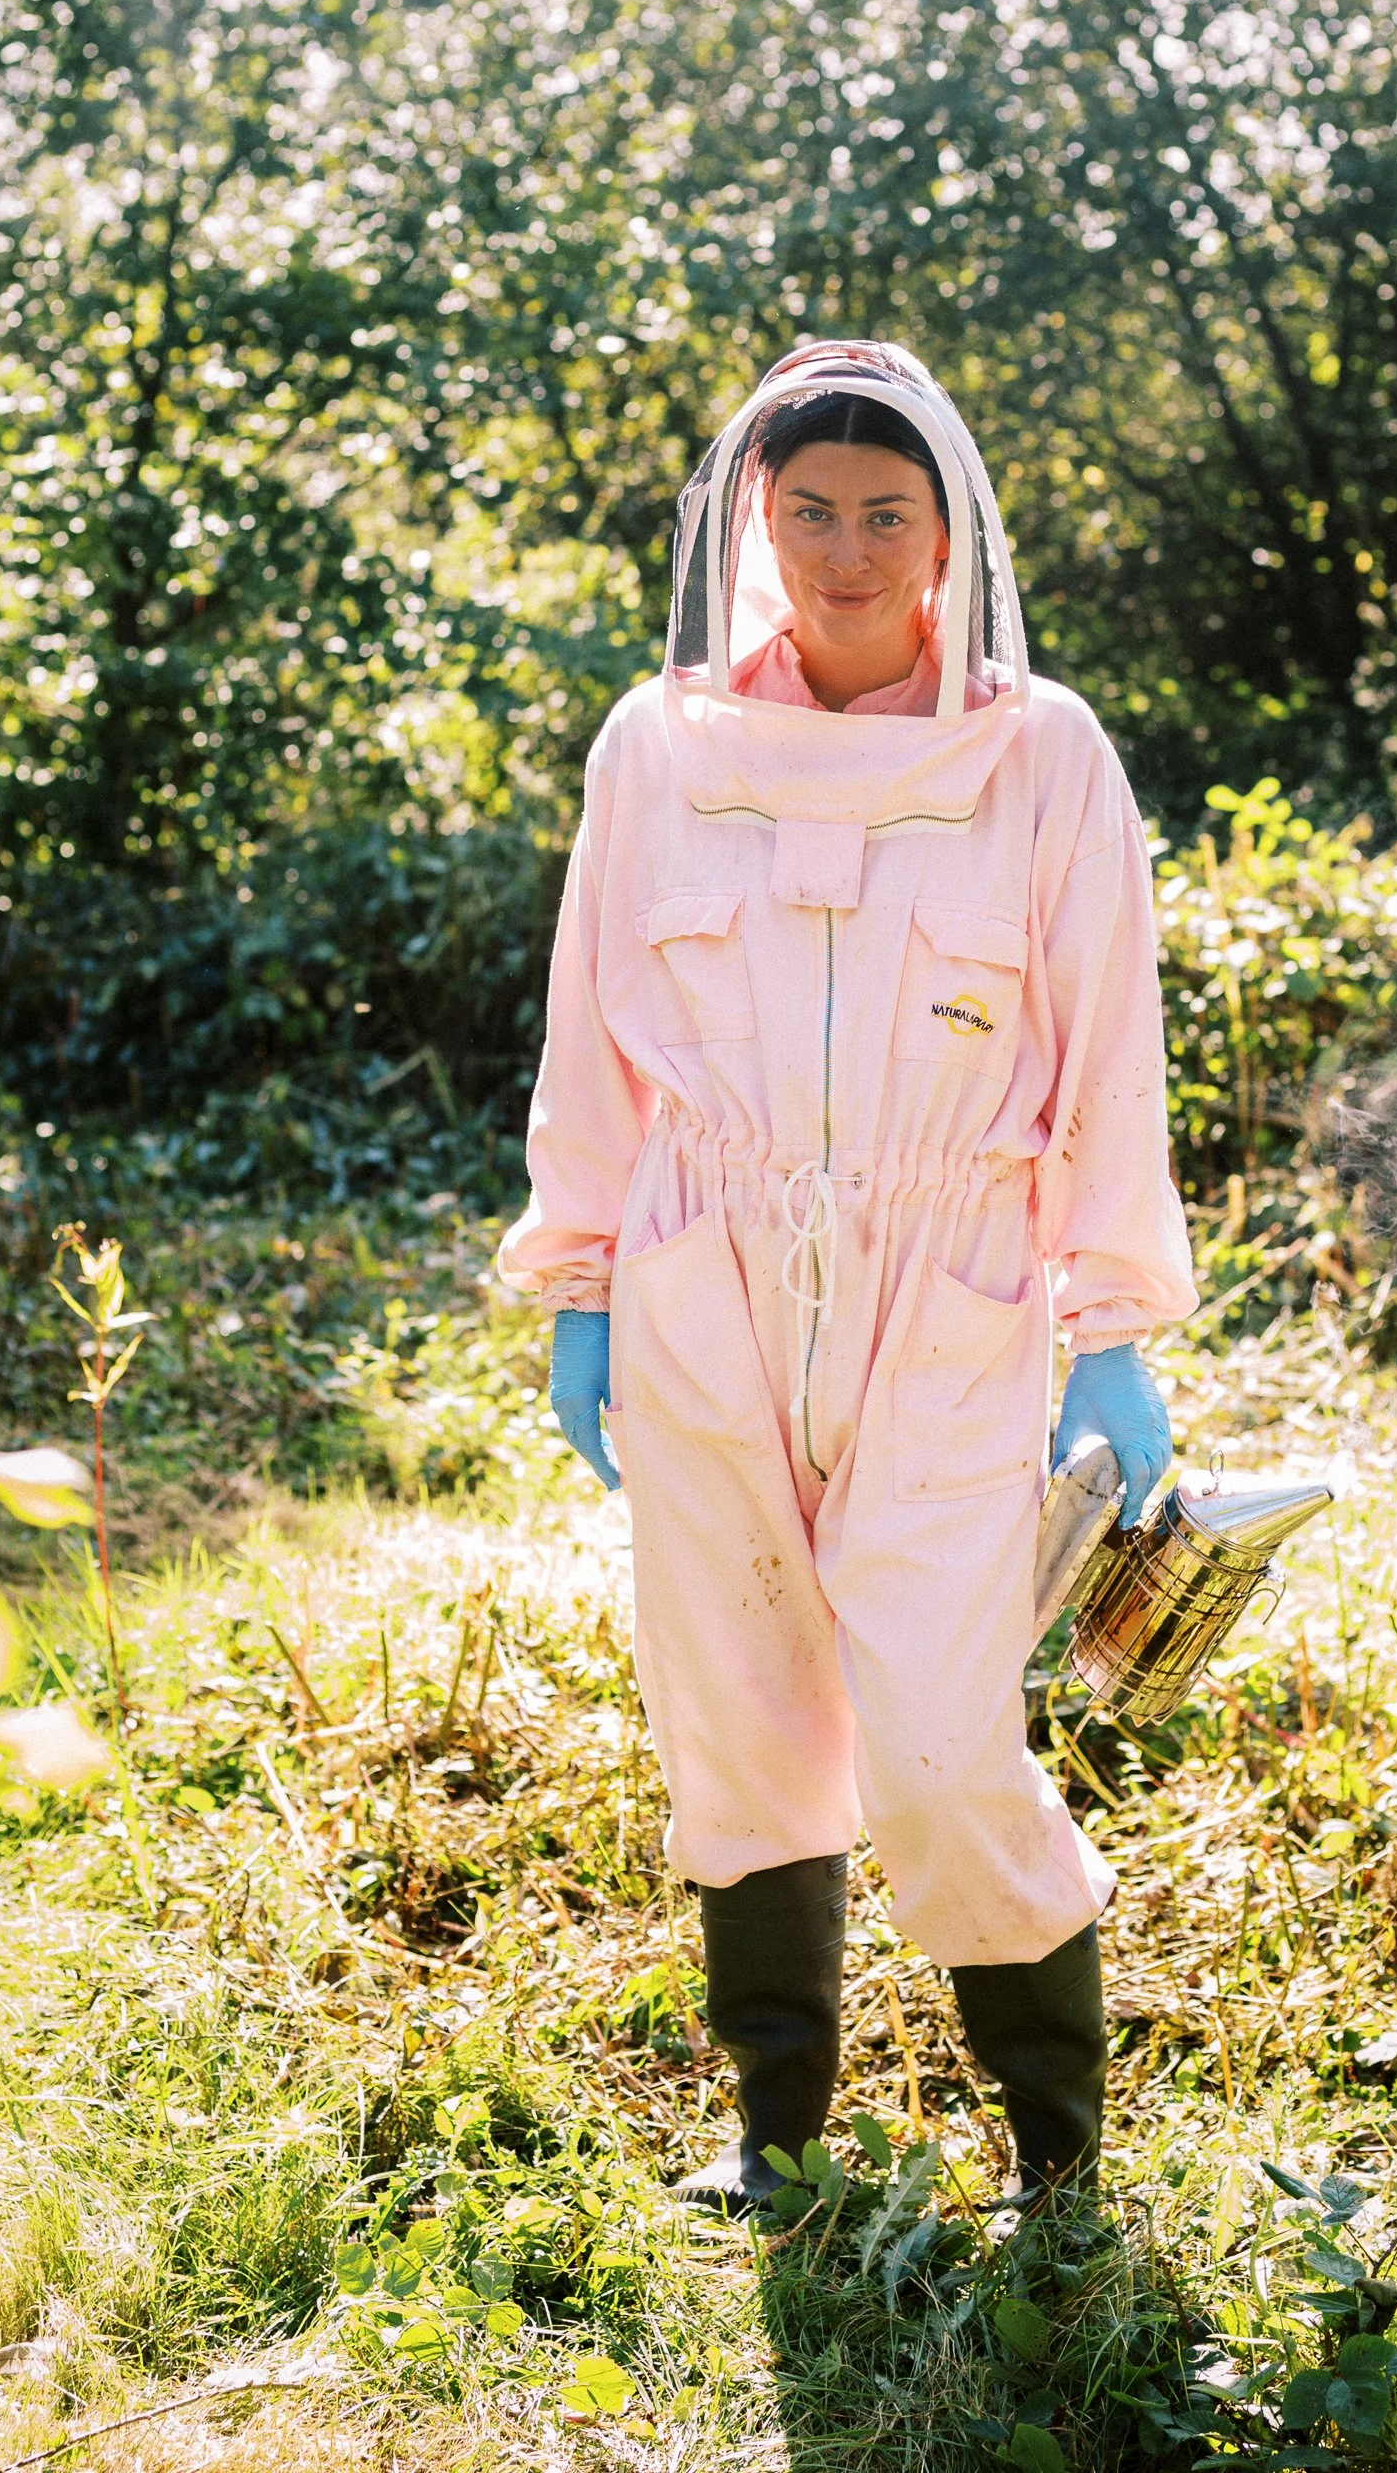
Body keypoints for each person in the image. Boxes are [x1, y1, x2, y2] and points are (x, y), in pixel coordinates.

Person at [496, 339, 1196, 2214]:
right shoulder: (658, 745)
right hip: (702, 1276)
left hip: (951, 1290)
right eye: (808, 509)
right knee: (731, 1705)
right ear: (755, 521)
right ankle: (771, 2126)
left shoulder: (1040, 753)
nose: (846, 549)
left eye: (889, 512)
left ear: (949, 532)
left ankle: (1055, 2152)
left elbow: (1109, 1048)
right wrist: (579, 1289)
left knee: (945, 1727)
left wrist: (1109, 1331)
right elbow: (590, 1035)